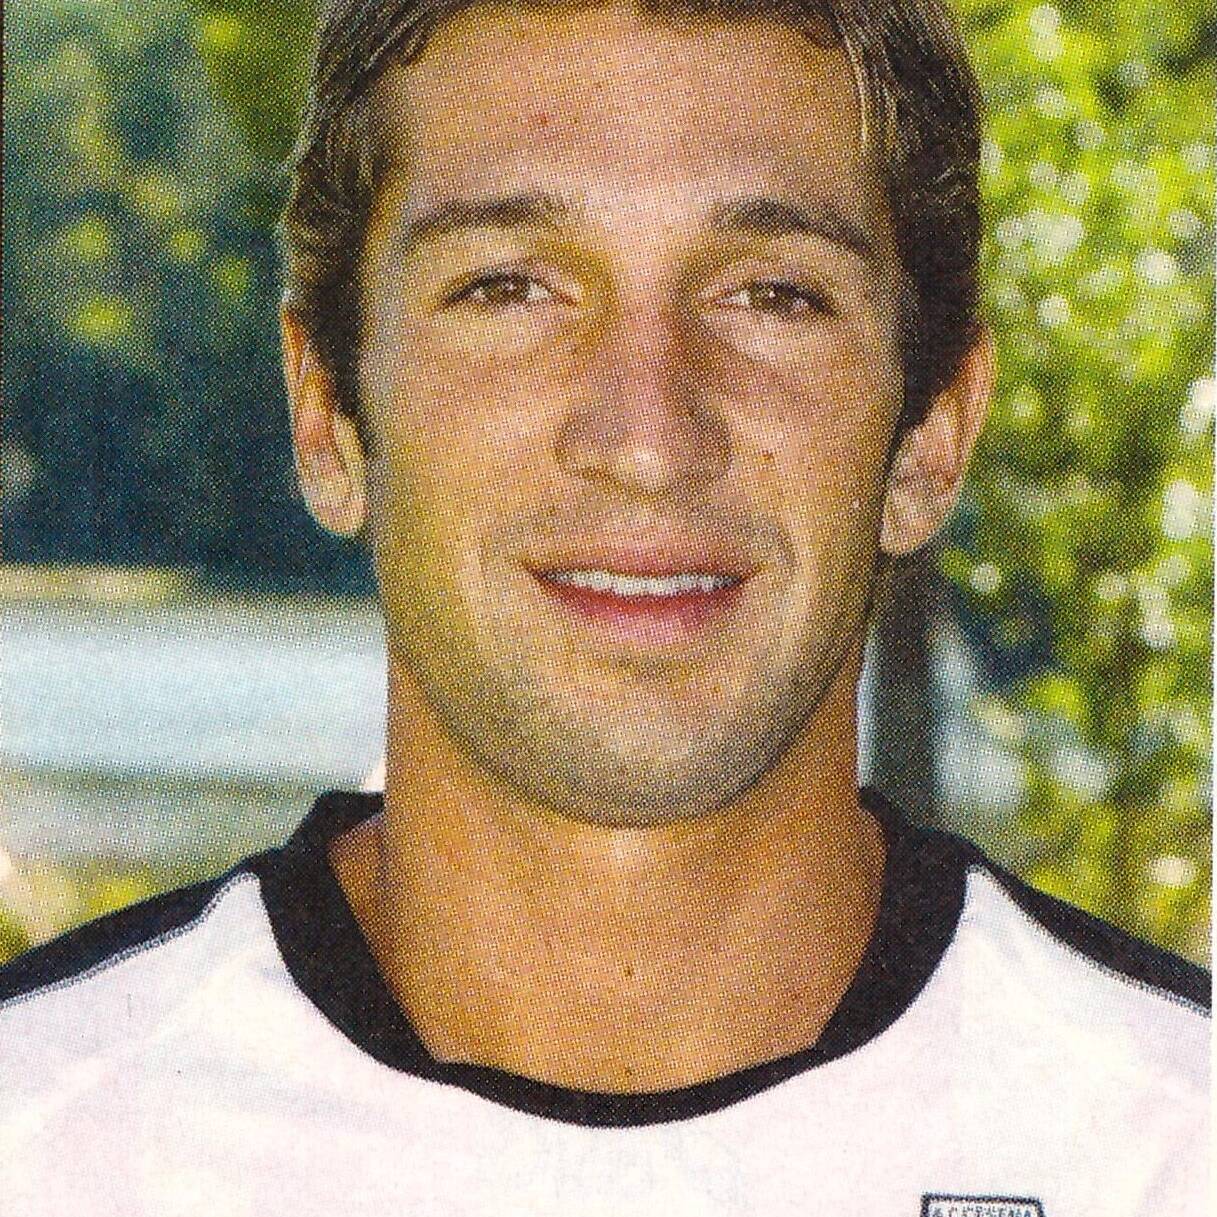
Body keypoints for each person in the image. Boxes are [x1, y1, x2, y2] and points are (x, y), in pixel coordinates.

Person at [1, 1, 1208, 1213]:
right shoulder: (43, 1135)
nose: (645, 438)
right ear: (326, 416)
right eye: (509, 287)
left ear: (930, 435)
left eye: (770, 295)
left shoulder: (1167, 1145)